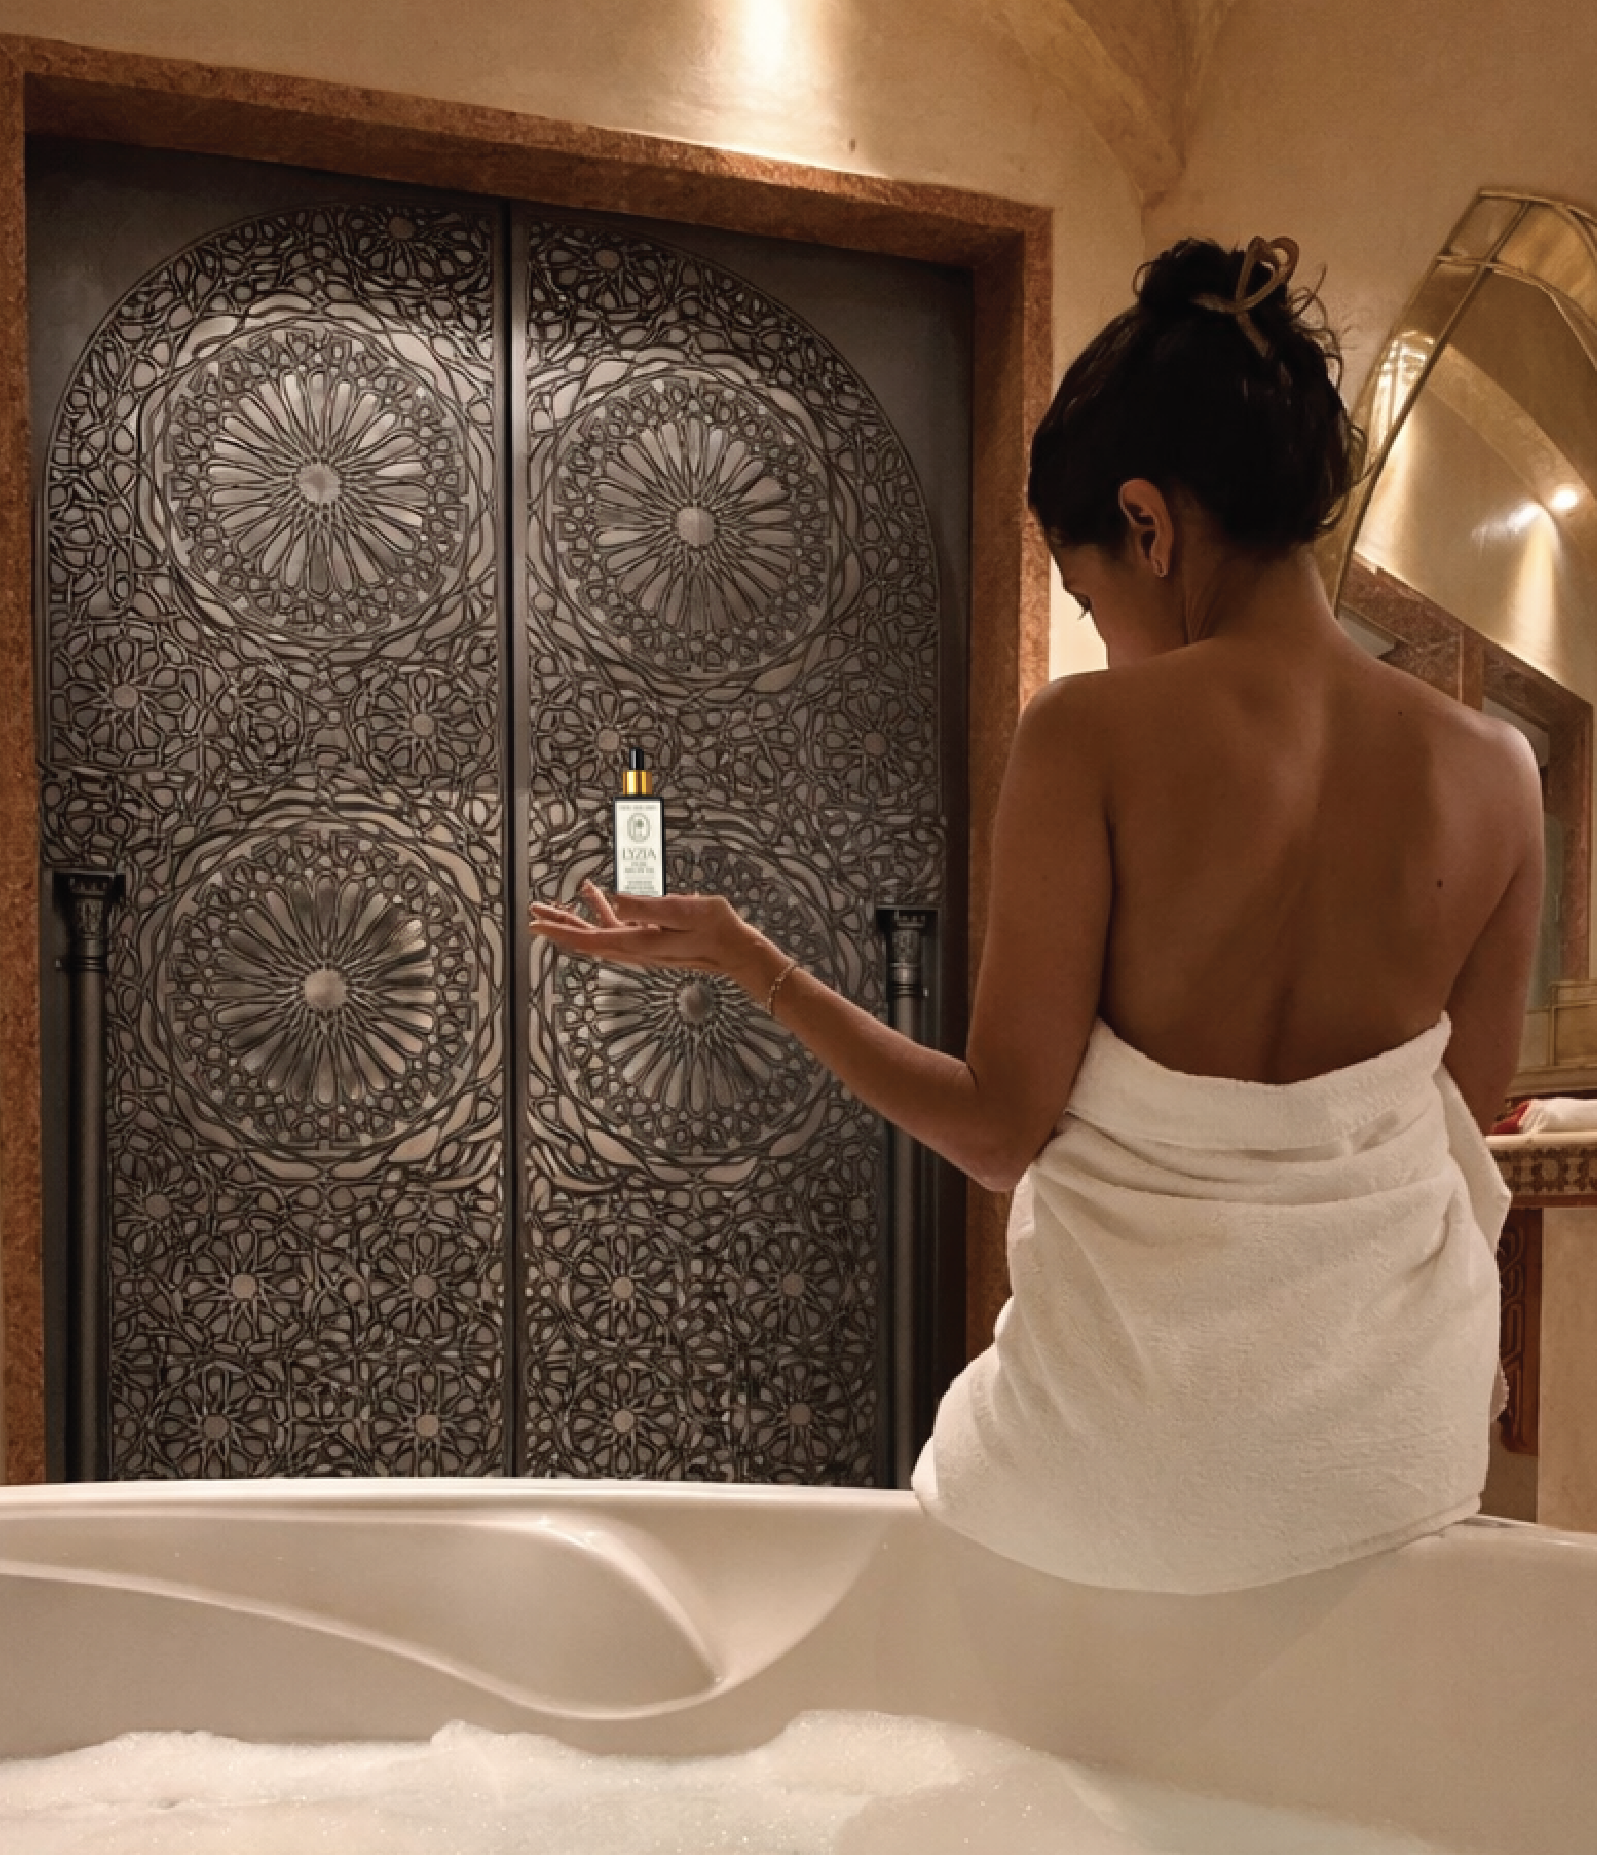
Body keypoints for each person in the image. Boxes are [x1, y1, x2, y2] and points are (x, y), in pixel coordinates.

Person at [531, 235, 1543, 1593]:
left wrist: (752, 961)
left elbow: (1001, 1132)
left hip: (1118, 1465)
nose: (1103, 633)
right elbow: (1462, 1106)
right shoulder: (1502, 774)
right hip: (1378, 1462)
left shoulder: (1091, 735)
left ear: (1147, 522)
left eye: (1087, 595)